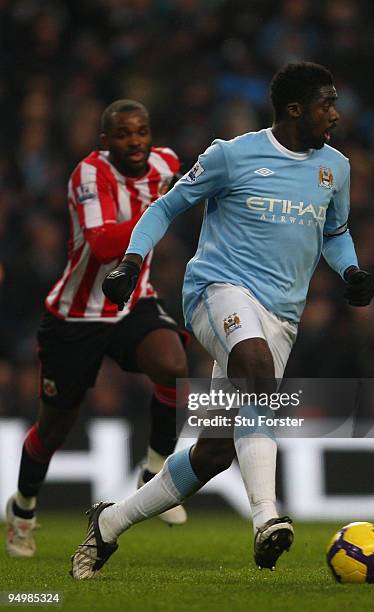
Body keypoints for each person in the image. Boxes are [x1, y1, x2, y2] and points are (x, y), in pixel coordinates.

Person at [70, 62, 374, 579]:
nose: (336, 114)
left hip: (281, 315)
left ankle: (110, 523)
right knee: (256, 370)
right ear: (295, 109)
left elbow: (334, 232)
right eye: (327, 103)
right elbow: (166, 208)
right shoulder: (230, 156)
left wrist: (350, 269)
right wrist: (131, 261)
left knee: (214, 451)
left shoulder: (335, 168)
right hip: (216, 290)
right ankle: (267, 517)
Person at [6, 100, 190, 558]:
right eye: (123, 134)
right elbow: (105, 243)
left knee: (173, 365)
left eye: (141, 131)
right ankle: (23, 509)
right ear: (105, 142)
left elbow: (196, 183)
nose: (135, 141)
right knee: (55, 428)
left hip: (132, 300)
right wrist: (161, 206)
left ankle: (153, 475)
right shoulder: (89, 175)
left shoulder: (167, 162)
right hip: (77, 315)